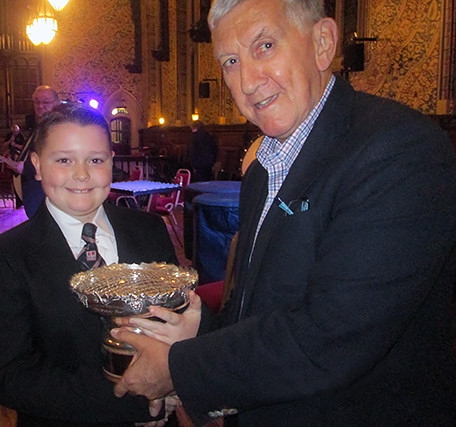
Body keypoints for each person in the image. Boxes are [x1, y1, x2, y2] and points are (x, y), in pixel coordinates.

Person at [111, 0, 456, 425]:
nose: (248, 81)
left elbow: (331, 338)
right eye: (231, 61)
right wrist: (196, 337)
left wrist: (176, 369)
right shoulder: (263, 169)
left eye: (266, 46)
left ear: (322, 43)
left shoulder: (398, 150)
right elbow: (265, 315)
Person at [0, 103, 180, 426]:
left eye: (95, 160)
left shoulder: (149, 230)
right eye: (64, 160)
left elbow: (179, 318)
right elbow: (6, 374)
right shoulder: (5, 256)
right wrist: (133, 401)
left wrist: (177, 379)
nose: (82, 174)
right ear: (37, 166)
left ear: (112, 164)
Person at [10, 85, 60, 218]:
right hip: (33, 190)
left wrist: (25, 167)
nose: (40, 106)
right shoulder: (40, 126)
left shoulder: (57, 127)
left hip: (45, 191)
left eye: (46, 102)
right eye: (37, 102)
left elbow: (57, 159)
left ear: (57, 103)